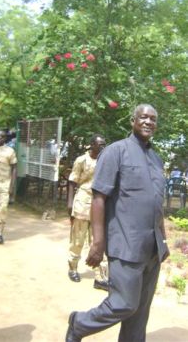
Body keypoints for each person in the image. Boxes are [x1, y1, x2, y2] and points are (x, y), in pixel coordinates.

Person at [66, 104, 169, 341]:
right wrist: (98, 243)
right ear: (133, 120)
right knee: (124, 304)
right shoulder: (115, 152)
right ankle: (79, 324)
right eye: (143, 117)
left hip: (152, 248)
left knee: (140, 314)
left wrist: (162, 240)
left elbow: (156, 204)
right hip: (126, 245)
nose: (148, 122)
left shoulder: (156, 159)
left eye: (153, 119)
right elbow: (99, 198)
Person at [67, 134, 108, 291]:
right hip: (83, 202)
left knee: (98, 241)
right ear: (92, 145)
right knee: (78, 238)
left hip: (99, 204)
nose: (103, 147)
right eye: (100, 144)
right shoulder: (81, 160)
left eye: (104, 144)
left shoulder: (105, 161)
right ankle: (73, 267)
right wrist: (70, 203)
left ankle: (100, 277)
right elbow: (72, 182)